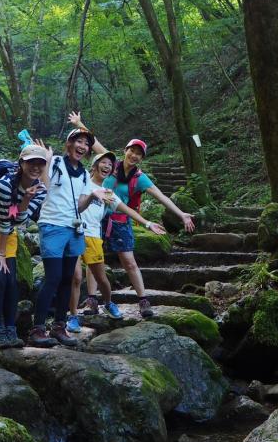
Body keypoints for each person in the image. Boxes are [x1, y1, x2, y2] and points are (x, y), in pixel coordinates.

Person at [69, 112, 195, 318]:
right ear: (125, 151)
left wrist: (181, 214)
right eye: (132, 151)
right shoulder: (111, 164)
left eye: (139, 153)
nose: (134, 155)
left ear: (141, 158)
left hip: (120, 219)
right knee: (93, 261)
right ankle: (92, 299)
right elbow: (93, 142)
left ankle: (143, 300)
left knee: (129, 261)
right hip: (95, 218)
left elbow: (161, 196)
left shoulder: (140, 178)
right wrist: (79, 123)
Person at [67, 151, 167, 331]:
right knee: (75, 277)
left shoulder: (108, 193)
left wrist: (147, 223)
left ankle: (108, 302)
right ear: (94, 165)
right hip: (73, 234)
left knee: (102, 278)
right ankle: (73, 316)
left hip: (94, 236)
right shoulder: (81, 182)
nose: (107, 167)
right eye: (103, 163)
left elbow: (126, 209)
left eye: (110, 165)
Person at [29, 127, 110, 347]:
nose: (82, 147)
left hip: (74, 228)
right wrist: (45, 161)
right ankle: (37, 328)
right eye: (79, 142)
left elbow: (80, 206)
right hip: (52, 226)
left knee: (67, 279)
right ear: (69, 144)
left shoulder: (84, 174)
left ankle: (59, 326)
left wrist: (93, 195)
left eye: (86, 144)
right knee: (53, 277)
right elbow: (44, 185)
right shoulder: (54, 162)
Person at [0, 142, 51, 348]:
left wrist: (26, 199)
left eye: (40, 163)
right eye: (31, 162)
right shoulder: (5, 185)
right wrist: (2, 255)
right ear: (21, 163)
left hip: (8, 233)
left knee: (11, 282)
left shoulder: (39, 189)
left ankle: (11, 331)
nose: (36, 167)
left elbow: (20, 220)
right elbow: (6, 220)